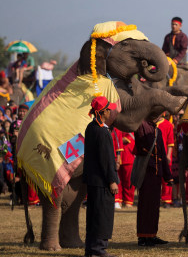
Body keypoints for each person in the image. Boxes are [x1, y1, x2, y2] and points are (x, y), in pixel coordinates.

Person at [82, 96, 119, 257]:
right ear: (103, 112)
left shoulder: (91, 127)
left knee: (93, 215)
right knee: (102, 215)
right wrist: (112, 180)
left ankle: (91, 248)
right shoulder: (102, 131)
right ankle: (98, 249)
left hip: (92, 179)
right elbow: (106, 159)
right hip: (102, 181)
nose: (111, 111)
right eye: (109, 109)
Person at [134, 117, 173, 247]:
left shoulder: (158, 130)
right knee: (145, 205)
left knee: (154, 207)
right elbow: (140, 145)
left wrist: (168, 177)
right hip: (146, 171)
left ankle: (152, 235)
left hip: (156, 173)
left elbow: (162, 153)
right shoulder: (142, 125)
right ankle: (143, 237)